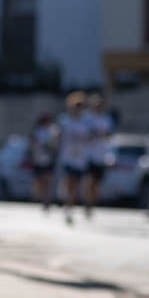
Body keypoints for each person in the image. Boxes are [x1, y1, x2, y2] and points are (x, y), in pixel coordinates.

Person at [57, 91, 91, 225]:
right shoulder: (64, 120)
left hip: (80, 159)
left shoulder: (87, 122)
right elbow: (57, 136)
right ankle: (66, 206)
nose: (78, 108)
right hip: (67, 157)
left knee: (75, 186)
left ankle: (69, 206)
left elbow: (91, 137)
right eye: (76, 105)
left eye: (80, 105)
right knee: (69, 182)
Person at [83, 92, 115, 218]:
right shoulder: (87, 118)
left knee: (96, 183)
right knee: (89, 181)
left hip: (100, 155)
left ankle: (91, 204)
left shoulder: (106, 119)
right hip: (88, 154)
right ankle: (87, 205)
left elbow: (109, 136)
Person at [29, 112, 59, 211]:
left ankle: (46, 202)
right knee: (39, 181)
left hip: (48, 160)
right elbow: (32, 145)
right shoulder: (37, 131)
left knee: (48, 182)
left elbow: (55, 145)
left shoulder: (53, 130)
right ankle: (38, 197)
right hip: (38, 160)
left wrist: (51, 147)